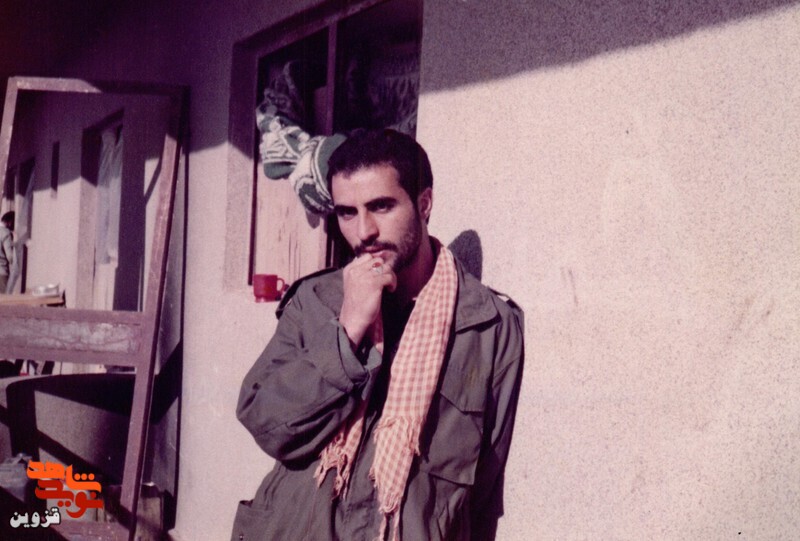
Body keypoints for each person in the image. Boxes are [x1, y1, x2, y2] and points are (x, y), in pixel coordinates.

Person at [233, 129, 524, 541]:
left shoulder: (489, 326)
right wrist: (347, 331)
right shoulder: (317, 300)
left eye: (381, 206)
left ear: (424, 204)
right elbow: (268, 425)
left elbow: (482, 498)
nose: (363, 231)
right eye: (347, 213)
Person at [0, 211, 14, 294]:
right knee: (3, 299)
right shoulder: (5, 233)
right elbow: (10, 256)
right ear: (10, 222)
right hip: (1, 272)